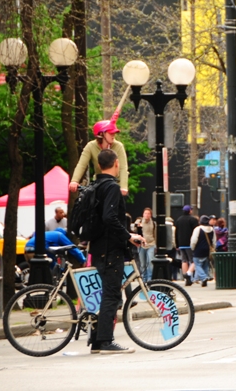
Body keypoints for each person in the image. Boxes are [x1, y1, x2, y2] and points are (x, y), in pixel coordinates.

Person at [88, 148, 144, 354]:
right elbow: (109, 217)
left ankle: (96, 341)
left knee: (106, 295)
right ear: (116, 164)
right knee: (111, 295)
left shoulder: (96, 185)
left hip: (98, 247)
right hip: (110, 249)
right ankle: (105, 341)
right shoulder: (111, 187)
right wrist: (129, 236)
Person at [69, 120, 129, 196]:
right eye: (111, 133)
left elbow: (123, 168)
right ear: (101, 134)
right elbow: (81, 165)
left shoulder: (119, 146)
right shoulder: (90, 146)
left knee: (114, 205)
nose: (113, 135)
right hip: (99, 184)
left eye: (114, 133)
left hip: (115, 185)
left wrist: (123, 187)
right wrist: (74, 180)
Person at [175, 205, 198, 286]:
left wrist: (177, 244)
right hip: (190, 243)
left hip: (181, 243)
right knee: (193, 260)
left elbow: (176, 232)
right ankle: (188, 274)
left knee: (184, 260)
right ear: (190, 211)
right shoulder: (193, 220)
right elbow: (196, 232)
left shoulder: (179, 220)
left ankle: (186, 278)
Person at [190, 215, 214, 287]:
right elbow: (214, 241)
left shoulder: (198, 229)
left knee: (197, 265)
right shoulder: (212, 229)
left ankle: (204, 278)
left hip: (198, 249)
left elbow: (194, 240)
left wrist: (192, 248)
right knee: (205, 265)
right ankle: (204, 279)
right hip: (207, 250)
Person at [135, 207, 156, 282]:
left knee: (150, 261)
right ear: (143, 214)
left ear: (151, 215)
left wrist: (155, 244)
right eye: (145, 213)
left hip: (151, 244)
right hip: (141, 245)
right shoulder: (139, 221)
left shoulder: (153, 223)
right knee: (142, 263)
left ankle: (150, 279)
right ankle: (144, 278)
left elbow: (155, 234)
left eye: (148, 213)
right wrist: (137, 226)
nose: (147, 215)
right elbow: (133, 230)